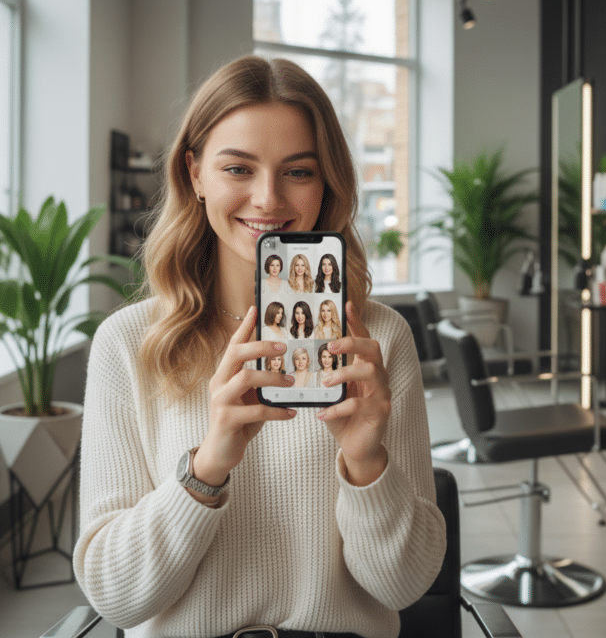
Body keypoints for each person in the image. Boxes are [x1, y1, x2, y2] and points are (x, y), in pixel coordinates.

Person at [73, 55, 445, 638]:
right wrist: (207, 467)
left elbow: (402, 587)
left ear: (327, 185)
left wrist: (368, 462)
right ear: (195, 174)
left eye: (298, 172)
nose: (268, 200)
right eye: (238, 169)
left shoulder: (379, 339)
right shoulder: (128, 345)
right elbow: (115, 597)